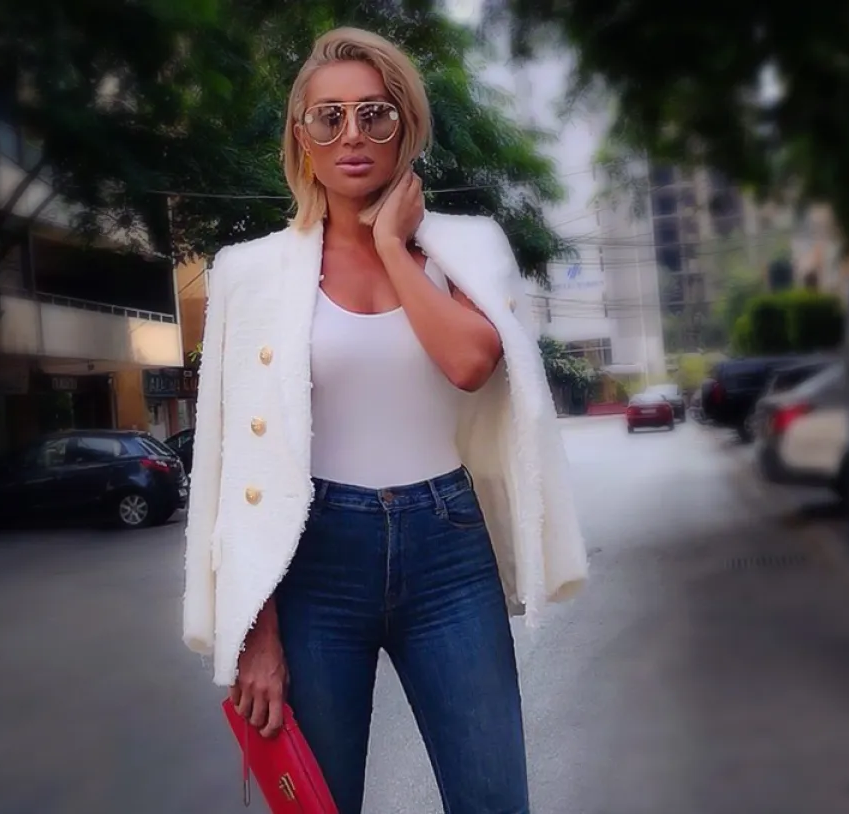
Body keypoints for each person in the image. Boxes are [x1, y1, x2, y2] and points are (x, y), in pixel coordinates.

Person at [183, 26, 589, 814]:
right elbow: (233, 465)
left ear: (406, 126)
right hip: (312, 557)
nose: (352, 135)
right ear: (300, 136)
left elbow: (470, 362)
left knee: (494, 799)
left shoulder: (468, 249)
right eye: (328, 116)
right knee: (321, 804)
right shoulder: (247, 273)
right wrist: (254, 633)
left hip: (449, 549)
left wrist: (393, 248)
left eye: (374, 114)